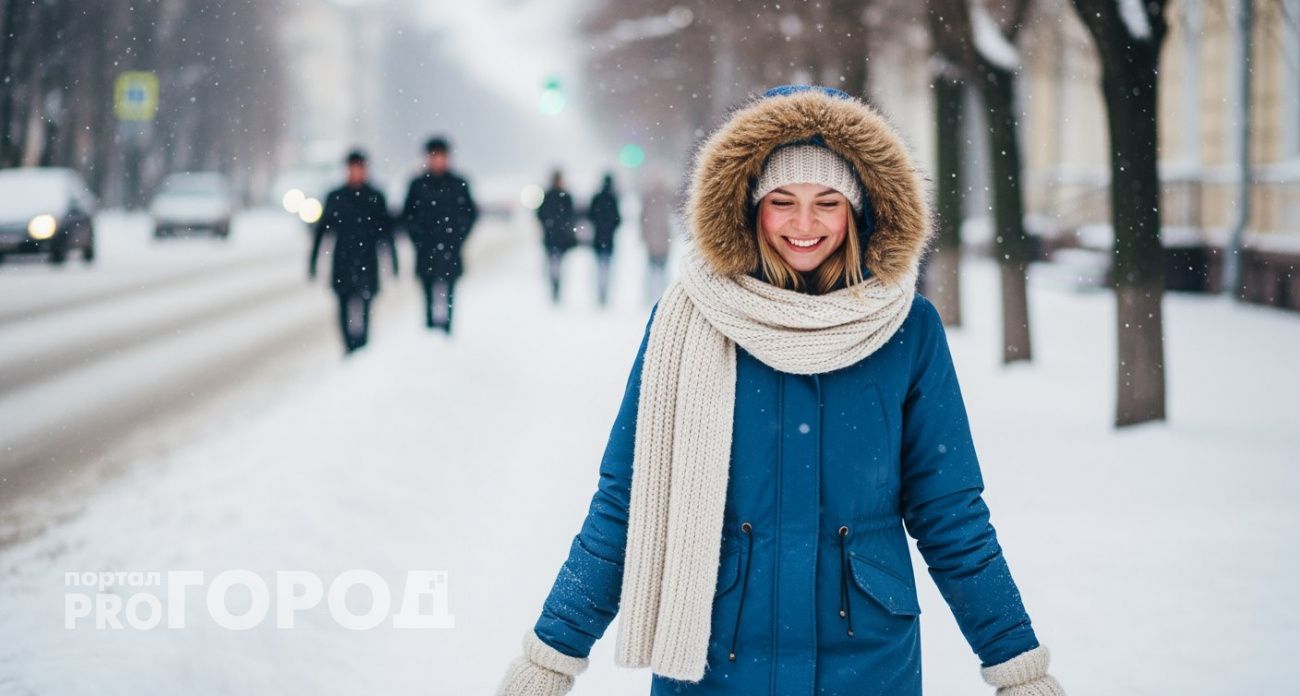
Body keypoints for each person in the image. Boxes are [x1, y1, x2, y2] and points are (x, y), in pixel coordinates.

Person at [497, 86, 1067, 696]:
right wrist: (551, 656)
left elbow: (951, 514)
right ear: (749, 208)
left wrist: (1016, 666)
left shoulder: (908, 329)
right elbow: (627, 503)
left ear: (859, 210)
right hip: (716, 655)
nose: (803, 224)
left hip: (865, 663)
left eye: (827, 202)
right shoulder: (687, 321)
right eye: (782, 201)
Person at [308, 150, 397, 355]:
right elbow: (322, 232)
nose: (356, 172)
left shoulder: (375, 197)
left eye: (360, 168)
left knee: (365, 306)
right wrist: (313, 262)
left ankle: (363, 346)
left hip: (368, 260)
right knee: (342, 306)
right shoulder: (336, 197)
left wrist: (393, 262)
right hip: (343, 261)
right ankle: (348, 347)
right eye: (352, 168)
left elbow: (386, 234)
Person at [401, 136, 478, 334]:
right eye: (434, 156)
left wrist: (458, 237)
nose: (437, 160)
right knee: (427, 294)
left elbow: (470, 214)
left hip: (450, 249)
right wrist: (418, 238)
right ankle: (429, 331)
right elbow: (408, 216)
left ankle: (447, 331)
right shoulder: (418, 185)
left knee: (449, 293)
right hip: (426, 249)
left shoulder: (458, 184)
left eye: (441, 156)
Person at [536, 169, 577, 304]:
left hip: (554, 236)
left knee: (555, 263)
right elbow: (571, 216)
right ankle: (556, 286)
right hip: (558, 236)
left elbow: (540, 215)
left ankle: (555, 286)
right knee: (557, 263)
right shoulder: (564, 196)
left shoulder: (549, 196)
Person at [587, 172, 622, 306]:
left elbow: (590, 215)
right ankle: (604, 291)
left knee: (598, 266)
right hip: (609, 239)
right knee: (606, 266)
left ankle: (600, 291)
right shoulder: (613, 199)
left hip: (597, 238)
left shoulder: (596, 198)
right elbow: (618, 219)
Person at [639, 175, 673, 303]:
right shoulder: (657, 198)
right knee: (656, 269)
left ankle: (658, 295)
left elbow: (643, 219)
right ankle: (657, 295)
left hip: (658, 239)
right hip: (658, 239)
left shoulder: (659, 198)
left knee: (655, 269)